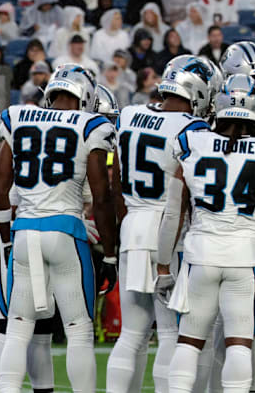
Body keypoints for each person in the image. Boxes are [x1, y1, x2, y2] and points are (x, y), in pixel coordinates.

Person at [159, 73, 255, 393]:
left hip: (199, 255)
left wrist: (162, 265)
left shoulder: (193, 143)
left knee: (188, 342)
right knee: (239, 345)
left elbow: (173, 213)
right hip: (245, 259)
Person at [0, 64, 117, 392]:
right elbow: (101, 197)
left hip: (25, 231)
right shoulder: (91, 124)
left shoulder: (18, 117)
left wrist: (7, 239)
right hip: (65, 231)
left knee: (18, 328)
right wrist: (111, 254)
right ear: (86, 96)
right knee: (79, 329)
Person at [107, 55, 215, 393]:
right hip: (167, 230)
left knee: (132, 334)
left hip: (132, 225)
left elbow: (115, 182)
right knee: (170, 332)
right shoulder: (192, 128)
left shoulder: (128, 114)